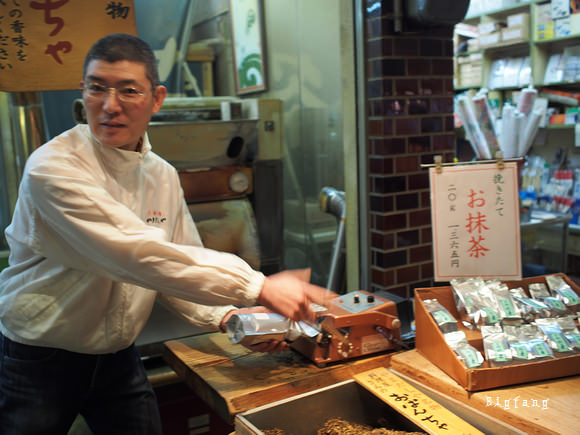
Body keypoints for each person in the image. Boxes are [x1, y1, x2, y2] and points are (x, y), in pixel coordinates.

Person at [0, 33, 334, 434]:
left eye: (128, 91)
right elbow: (137, 254)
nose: (109, 106)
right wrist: (258, 286)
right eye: (97, 88)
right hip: (41, 356)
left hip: (118, 355)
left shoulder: (160, 173)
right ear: (83, 91)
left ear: (156, 99)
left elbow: (177, 260)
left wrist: (229, 318)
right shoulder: (52, 169)